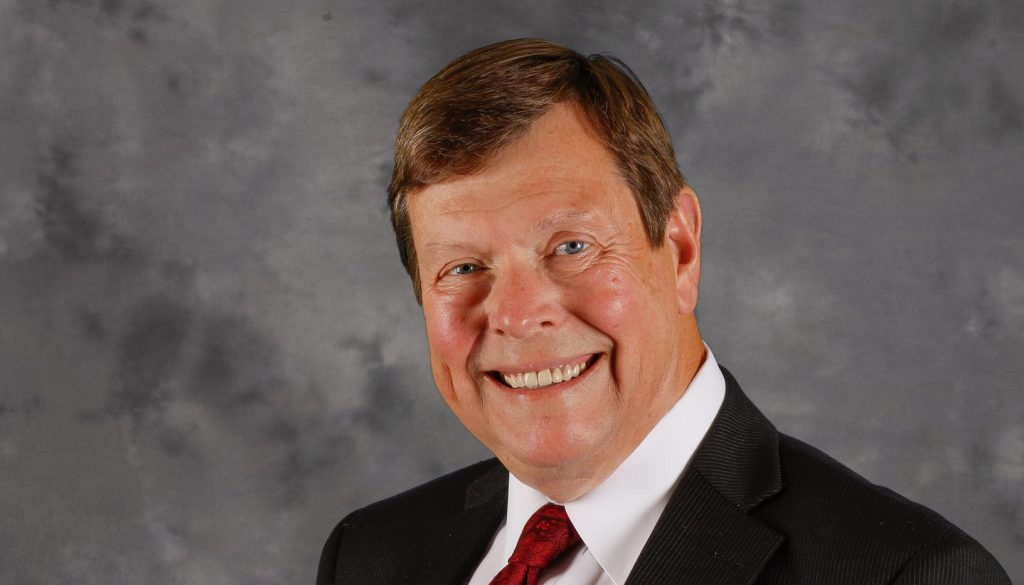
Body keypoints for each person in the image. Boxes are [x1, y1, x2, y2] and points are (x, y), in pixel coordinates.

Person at [316, 39, 1010, 585]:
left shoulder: (903, 573)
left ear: (679, 248)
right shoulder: (371, 555)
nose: (519, 316)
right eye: (463, 268)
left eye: (571, 246)